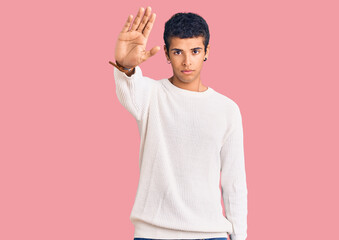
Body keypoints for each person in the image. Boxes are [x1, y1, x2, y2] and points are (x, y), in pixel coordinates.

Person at [109, 6, 248, 240]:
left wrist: (240, 236)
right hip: (153, 233)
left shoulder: (227, 109)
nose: (187, 61)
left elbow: (234, 181)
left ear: (207, 51)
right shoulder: (151, 95)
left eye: (194, 51)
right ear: (165, 53)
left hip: (209, 233)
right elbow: (129, 87)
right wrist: (125, 66)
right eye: (177, 52)